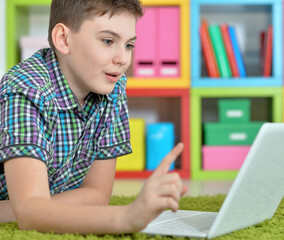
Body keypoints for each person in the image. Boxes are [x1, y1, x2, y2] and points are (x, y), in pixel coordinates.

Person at [0, 0, 187, 234]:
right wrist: (125, 218)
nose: (122, 59)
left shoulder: (112, 86)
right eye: (108, 41)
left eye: (129, 45)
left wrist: (35, 209)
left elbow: (98, 194)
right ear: (63, 39)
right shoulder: (26, 90)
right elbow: (29, 214)